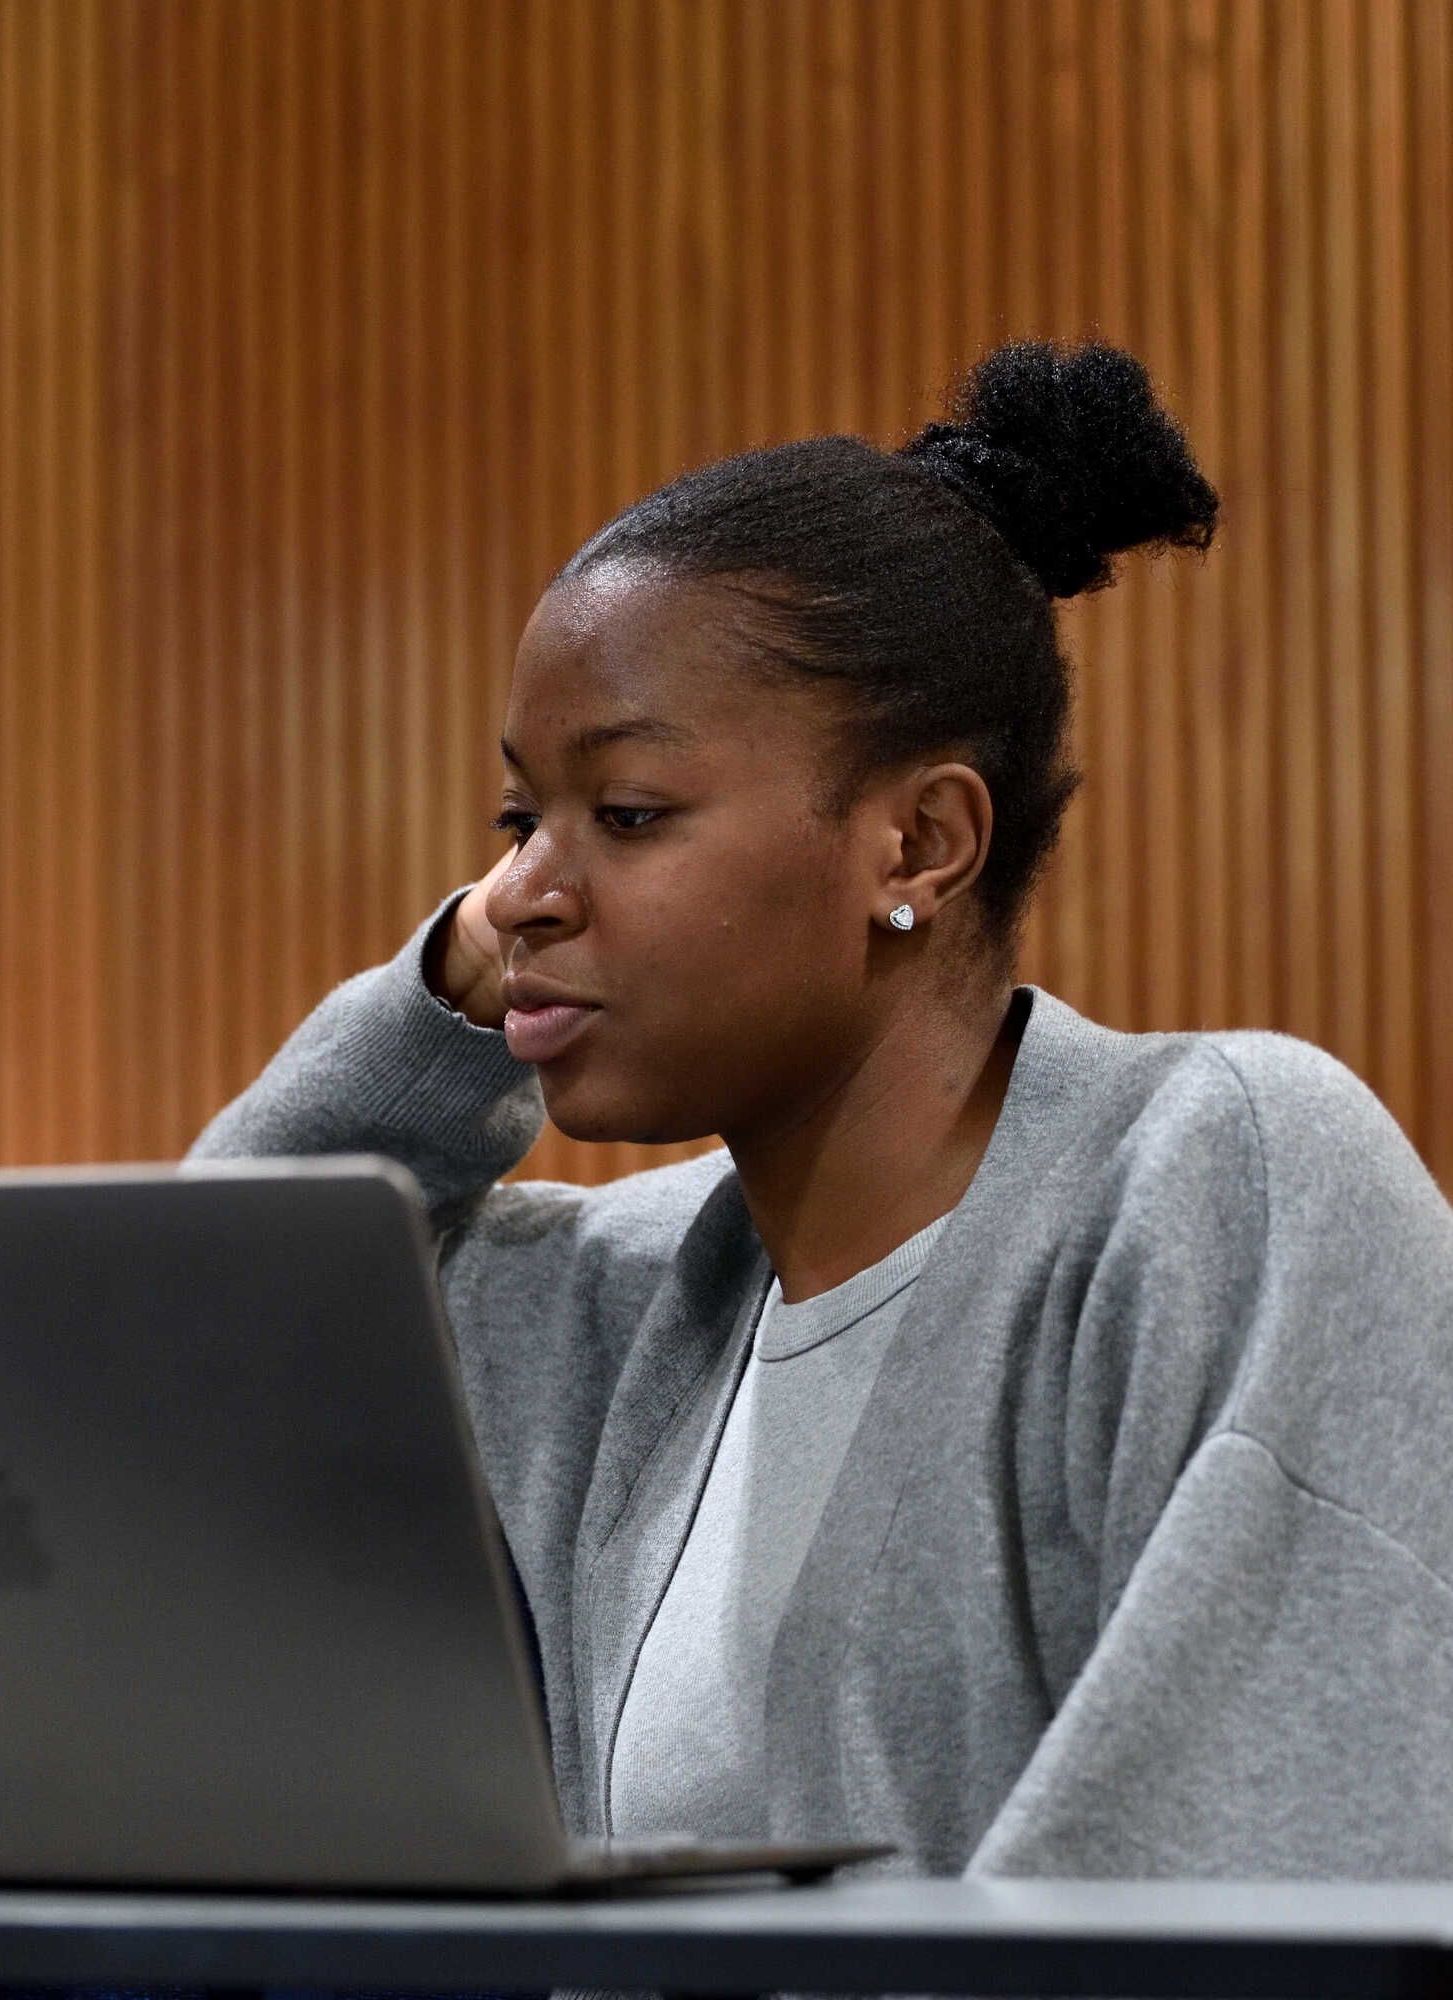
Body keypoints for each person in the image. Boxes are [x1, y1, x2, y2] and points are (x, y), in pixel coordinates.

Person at [197, 341, 1453, 1876]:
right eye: (520, 818)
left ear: (919, 843)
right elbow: (200, 1327)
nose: (521, 887)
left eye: (630, 813)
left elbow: (1268, 1849)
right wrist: (457, 985)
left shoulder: (1216, 1172)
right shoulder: (602, 1301)